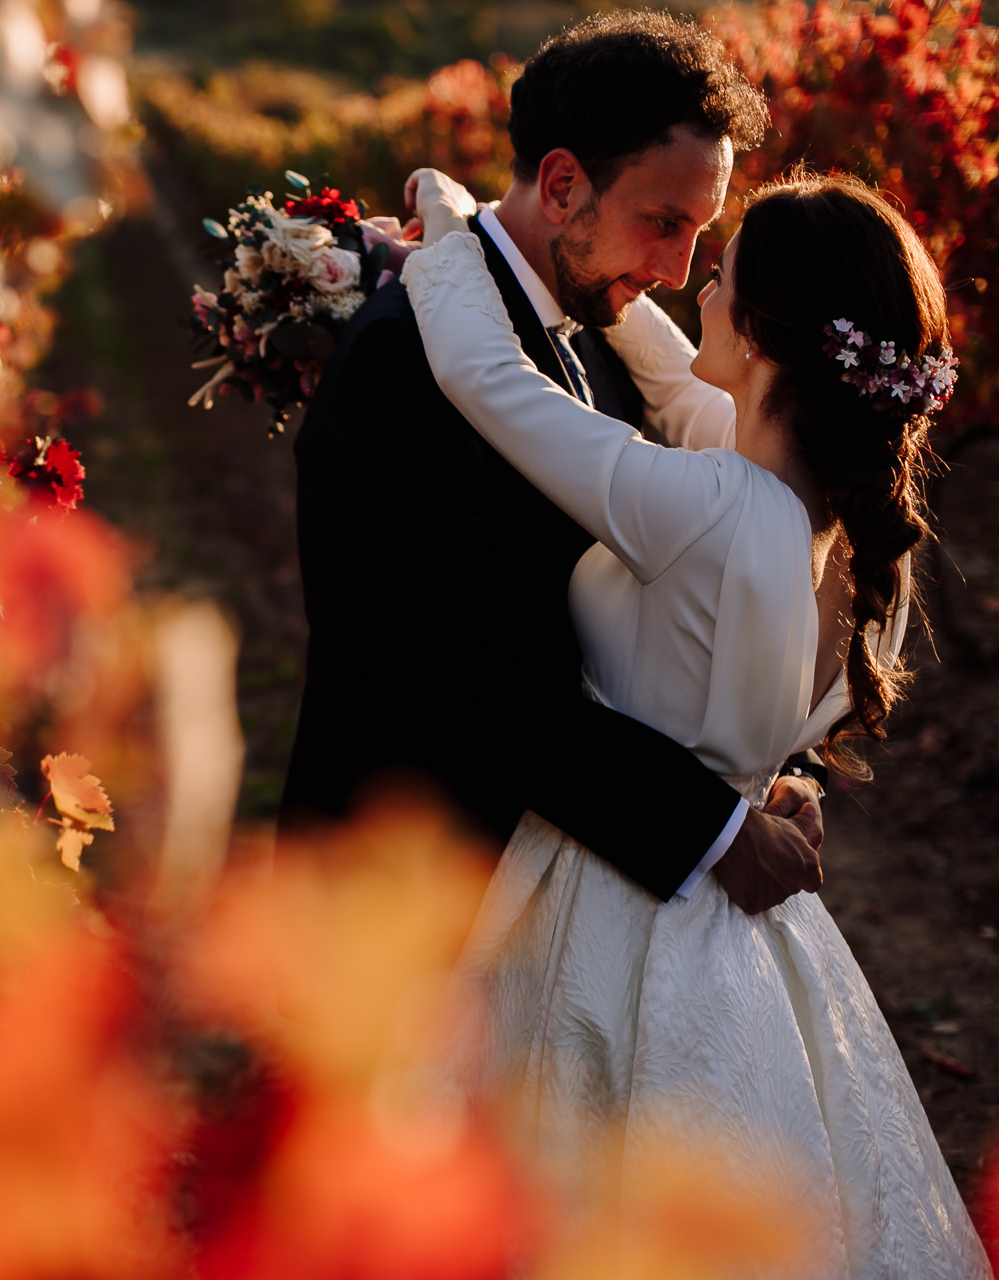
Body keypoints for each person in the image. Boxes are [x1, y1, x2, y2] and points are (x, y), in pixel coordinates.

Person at [402, 163, 987, 1275]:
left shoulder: (714, 508)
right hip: (739, 928)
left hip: (610, 891)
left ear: (763, 331)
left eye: (716, 277)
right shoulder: (843, 536)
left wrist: (456, 235)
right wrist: (616, 303)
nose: (696, 292)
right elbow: (687, 392)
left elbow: (487, 376)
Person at [279, 11, 822, 914]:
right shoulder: (403, 355)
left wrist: (756, 768)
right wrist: (710, 830)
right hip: (396, 901)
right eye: (662, 222)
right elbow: (459, 677)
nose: (681, 273)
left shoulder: (604, 337)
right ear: (564, 183)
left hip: (540, 897)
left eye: (700, 233)